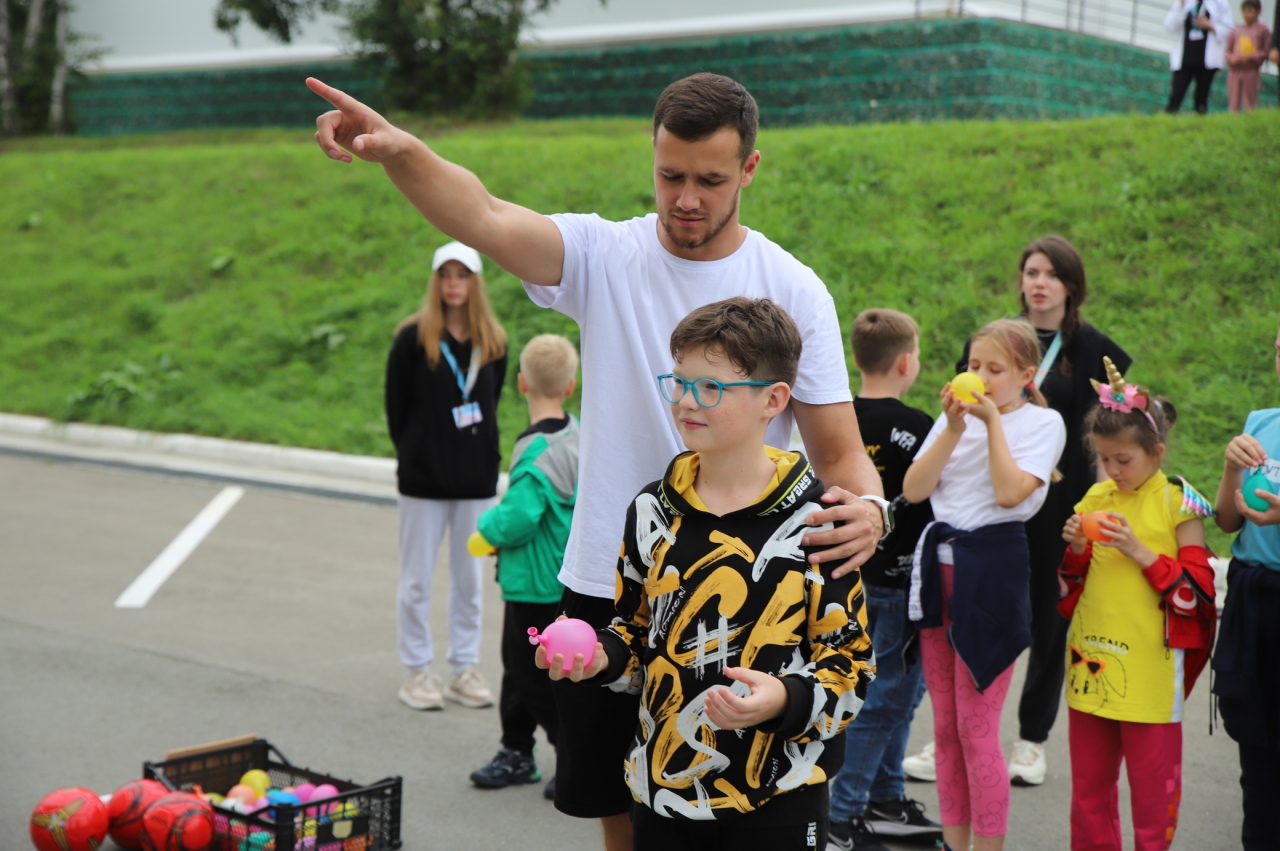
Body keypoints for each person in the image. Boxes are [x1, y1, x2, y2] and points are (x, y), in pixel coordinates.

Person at [308, 72, 886, 851]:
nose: (686, 198)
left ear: (749, 169)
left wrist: (870, 509)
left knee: (760, 806)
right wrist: (403, 153)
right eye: (669, 174)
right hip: (611, 585)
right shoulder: (605, 253)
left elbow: (841, 451)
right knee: (624, 802)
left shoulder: (791, 288)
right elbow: (481, 213)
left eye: (710, 181)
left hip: (748, 598)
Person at [541, 297, 875, 851]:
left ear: (774, 399)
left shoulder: (821, 521)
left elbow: (851, 669)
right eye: (680, 383)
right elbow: (634, 632)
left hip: (778, 801)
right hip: (662, 794)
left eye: (712, 388)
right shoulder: (651, 511)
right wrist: (601, 658)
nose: (687, 402)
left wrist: (783, 700)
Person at [907, 237, 1132, 787]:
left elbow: (1106, 432)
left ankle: (1032, 739)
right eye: (1031, 271)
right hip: (977, 515)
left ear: (1071, 286)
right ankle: (953, 735)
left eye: (1051, 274)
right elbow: (924, 477)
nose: (1039, 282)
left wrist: (1105, 500)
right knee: (965, 625)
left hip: (1054, 504)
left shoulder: (1095, 350)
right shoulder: (993, 343)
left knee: (1048, 622)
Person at [902, 318, 1067, 851]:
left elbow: (1008, 494)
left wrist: (993, 423)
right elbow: (913, 489)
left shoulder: (1045, 424)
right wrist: (952, 427)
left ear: (1026, 374)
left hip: (992, 572)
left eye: (995, 369)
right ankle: (954, 845)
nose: (981, 377)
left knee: (977, 732)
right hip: (939, 571)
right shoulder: (954, 421)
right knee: (946, 732)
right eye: (974, 366)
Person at [1057, 360, 1216, 851]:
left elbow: (1197, 595)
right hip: (1092, 662)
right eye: (1105, 459)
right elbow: (1066, 595)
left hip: (1150, 671)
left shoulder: (1179, 503)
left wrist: (1140, 552)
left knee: (1153, 799)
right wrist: (1076, 551)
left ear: (1156, 452)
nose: (1113, 471)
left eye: (1123, 460)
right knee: (1088, 795)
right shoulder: (1095, 497)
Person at [827, 310, 941, 851]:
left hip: (842, 576)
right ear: (905, 363)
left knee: (887, 694)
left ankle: (884, 796)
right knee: (887, 698)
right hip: (897, 584)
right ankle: (841, 814)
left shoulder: (837, 420)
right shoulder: (921, 427)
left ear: (856, 358)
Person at [385, 240, 508, 712]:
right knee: (416, 581)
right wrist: (418, 455)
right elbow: (397, 410)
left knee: (470, 582)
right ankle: (417, 672)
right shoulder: (412, 339)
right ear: (436, 281)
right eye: (446, 275)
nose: (453, 284)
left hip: (475, 482)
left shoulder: (492, 341)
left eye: (462, 275)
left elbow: (489, 407)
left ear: (475, 283)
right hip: (423, 483)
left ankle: (463, 669)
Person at [467, 334, 580, 797]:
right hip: (557, 575)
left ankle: (573, 758)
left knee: (535, 676)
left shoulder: (536, 450)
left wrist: (484, 532)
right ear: (570, 386)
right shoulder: (577, 434)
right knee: (516, 668)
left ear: (520, 384)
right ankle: (516, 749)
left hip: (534, 583)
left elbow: (519, 517)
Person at [1211, 321, 1280, 851]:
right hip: (1251, 602)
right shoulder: (1261, 422)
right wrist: (1232, 471)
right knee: (1255, 749)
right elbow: (1227, 521)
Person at [1164, 0, 1235, 114]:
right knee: (1175, 96)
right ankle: (1167, 123)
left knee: (1201, 100)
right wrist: (1181, 7)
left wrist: (1210, 26)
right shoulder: (1185, 2)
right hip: (1185, 58)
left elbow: (1230, 31)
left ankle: (1199, 126)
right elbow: (1169, 27)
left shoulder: (1220, 3)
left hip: (1207, 61)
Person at [1225, 0, 1272, 112]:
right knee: (1233, 103)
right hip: (1235, 70)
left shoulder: (1263, 30)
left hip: (1251, 70)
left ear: (1258, 11)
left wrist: (1251, 58)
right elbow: (1227, 51)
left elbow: (1266, 51)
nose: (1247, 15)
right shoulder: (1237, 30)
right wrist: (1231, 58)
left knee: (1250, 102)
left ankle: (1250, 121)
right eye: (1245, 11)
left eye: (1250, 11)